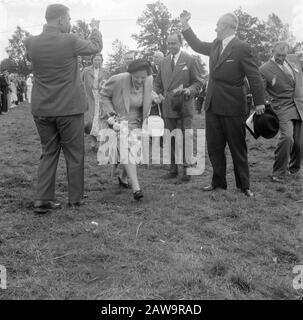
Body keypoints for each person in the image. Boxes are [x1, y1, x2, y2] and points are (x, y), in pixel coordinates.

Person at [25, 3, 103, 213]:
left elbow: (31, 57)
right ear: (60, 20)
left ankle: (42, 199)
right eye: (68, 19)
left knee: (48, 152)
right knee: (75, 153)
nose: (69, 23)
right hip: (69, 108)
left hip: (42, 109)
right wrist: (95, 28)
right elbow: (95, 47)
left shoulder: (30, 42)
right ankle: (75, 199)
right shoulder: (70, 40)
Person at [180, 10, 265, 196]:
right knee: (214, 146)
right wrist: (185, 25)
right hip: (212, 105)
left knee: (237, 147)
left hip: (233, 106)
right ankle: (218, 183)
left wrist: (260, 102)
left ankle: (244, 186)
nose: (215, 28)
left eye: (218, 25)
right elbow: (196, 44)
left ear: (226, 27)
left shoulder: (242, 47)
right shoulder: (216, 45)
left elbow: (254, 76)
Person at [98, 59, 158, 200]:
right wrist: (111, 115)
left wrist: (156, 98)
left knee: (135, 153)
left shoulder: (148, 82)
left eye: (143, 77)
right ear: (130, 73)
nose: (139, 80)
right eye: (136, 77)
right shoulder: (118, 80)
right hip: (119, 121)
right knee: (127, 149)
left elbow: (149, 95)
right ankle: (136, 188)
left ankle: (123, 177)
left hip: (137, 123)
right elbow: (103, 95)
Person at [154, 32, 202, 182]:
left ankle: (187, 169)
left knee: (186, 137)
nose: (171, 46)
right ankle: (173, 169)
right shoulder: (163, 62)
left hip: (184, 105)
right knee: (170, 138)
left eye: (174, 43)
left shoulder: (189, 59)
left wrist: (189, 90)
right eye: (169, 43)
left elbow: (198, 82)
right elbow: (157, 82)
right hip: (168, 105)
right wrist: (157, 93)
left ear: (180, 43)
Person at [260, 42, 303, 182]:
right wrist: (260, 104)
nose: (281, 58)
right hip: (282, 107)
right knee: (287, 138)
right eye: (278, 55)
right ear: (272, 51)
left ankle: (294, 169)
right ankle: (278, 173)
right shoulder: (264, 69)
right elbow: (260, 90)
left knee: (300, 142)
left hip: (299, 105)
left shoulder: (294, 59)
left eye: (284, 55)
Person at [82, 53, 106, 149]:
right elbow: (79, 81)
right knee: (91, 120)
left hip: (102, 98)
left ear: (102, 61)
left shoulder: (106, 71)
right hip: (90, 97)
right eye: (95, 59)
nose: (97, 61)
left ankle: (100, 141)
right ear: (92, 60)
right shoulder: (86, 70)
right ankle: (92, 140)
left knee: (101, 120)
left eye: (99, 60)